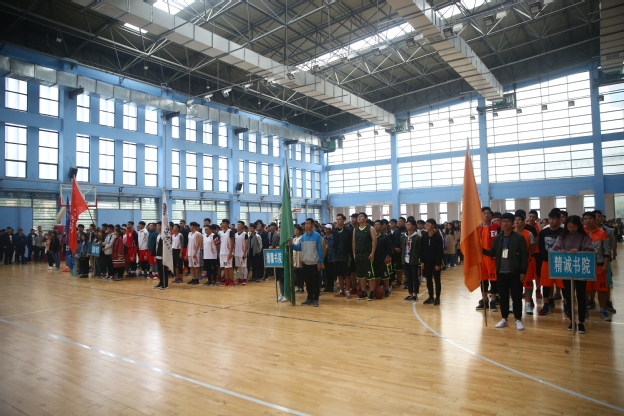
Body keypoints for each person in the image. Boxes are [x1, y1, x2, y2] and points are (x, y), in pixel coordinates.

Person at [483, 213, 528, 331]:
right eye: (503, 221)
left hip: (515, 272)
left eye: (508, 221)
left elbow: (524, 256)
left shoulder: (518, 237)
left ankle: (518, 319)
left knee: (516, 296)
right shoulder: (498, 238)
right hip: (501, 272)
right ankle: (504, 318)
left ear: (512, 223)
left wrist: (523, 271)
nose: (505, 223)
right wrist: (482, 250)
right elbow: (492, 252)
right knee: (503, 297)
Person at [552, 215, 593, 334]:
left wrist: (579, 252)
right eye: (569, 227)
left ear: (578, 226)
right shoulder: (562, 236)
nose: (572, 229)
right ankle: (572, 320)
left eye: (574, 227)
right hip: (566, 269)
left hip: (580, 269)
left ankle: (581, 322)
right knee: (568, 297)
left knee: (581, 296)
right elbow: (554, 249)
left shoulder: (584, 237)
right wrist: (560, 251)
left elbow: (590, 251)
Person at [583, 211, 612, 321]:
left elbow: (606, 251)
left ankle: (603, 309)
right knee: (585, 290)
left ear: (595, 220)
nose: (588, 221)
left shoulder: (602, 233)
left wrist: (605, 265)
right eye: (585, 219)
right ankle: (585, 309)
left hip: (599, 265)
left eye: (590, 218)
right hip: (584, 266)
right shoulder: (581, 233)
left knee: (601, 289)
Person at [289, 218, 324, 307]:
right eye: (305, 223)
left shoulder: (317, 236)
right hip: (305, 263)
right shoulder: (303, 237)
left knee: (315, 282)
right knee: (308, 283)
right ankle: (309, 298)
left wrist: (319, 262)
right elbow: (300, 248)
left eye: (308, 223)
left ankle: (315, 299)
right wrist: (292, 245)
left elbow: (320, 249)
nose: (306, 225)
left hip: (314, 263)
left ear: (312, 224)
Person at [538, 211, 565, 316]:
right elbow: (541, 248)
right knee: (546, 284)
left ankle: (566, 305)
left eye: (554, 219)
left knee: (563, 285)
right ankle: (546, 304)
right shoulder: (544, 232)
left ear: (559, 220)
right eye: (550, 219)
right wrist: (547, 258)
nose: (551, 221)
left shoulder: (563, 232)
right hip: (547, 262)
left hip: (561, 262)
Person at [476, 207, 501, 311]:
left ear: (491, 216)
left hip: (492, 258)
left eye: (488, 213)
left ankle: (493, 301)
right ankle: (484, 300)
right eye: (484, 213)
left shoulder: (497, 227)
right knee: (483, 280)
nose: (486, 215)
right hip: (481, 258)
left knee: (493, 280)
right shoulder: (477, 228)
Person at [352, 212, 378, 301]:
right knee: (361, 275)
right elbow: (354, 242)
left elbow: (374, 241)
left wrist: (372, 253)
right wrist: (354, 253)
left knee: (370, 275)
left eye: (361, 216)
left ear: (366, 219)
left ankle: (372, 292)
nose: (359, 218)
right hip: (359, 254)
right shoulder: (355, 230)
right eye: (358, 217)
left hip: (367, 254)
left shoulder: (370, 228)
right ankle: (363, 292)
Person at [420, 219, 444, 305]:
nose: (426, 226)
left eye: (428, 224)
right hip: (427, 262)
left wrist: (438, 263)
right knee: (428, 280)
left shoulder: (438, 237)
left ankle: (437, 298)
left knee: (437, 280)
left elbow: (440, 251)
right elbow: (421, 250)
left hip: (435, 262)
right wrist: (422, 261)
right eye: (426, 224)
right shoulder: (424, 237)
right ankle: (430, 297)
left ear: (433, 225)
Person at [333, 214, 353, 298]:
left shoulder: (349, 230)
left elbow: (352, 242)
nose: (338, 221)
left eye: (340, 219)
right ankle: (341, 291)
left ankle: (348, 291)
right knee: (339, 274)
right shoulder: (335, 231)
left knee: (347, 274)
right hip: (337, 256)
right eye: (337, 219)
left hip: (346, 255)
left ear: (344, 220)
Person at [401, 218, 422, 301]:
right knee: (408, 278)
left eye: (409, 224)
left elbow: (420, 249)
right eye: (406, 225)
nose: (407, 226)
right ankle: (410, 293)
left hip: (414, 260)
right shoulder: (403, 237)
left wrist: (420, 260)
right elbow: (402, 247)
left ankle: (415, 294)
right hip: (405, 259)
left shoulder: (417, 237)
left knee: (415, 278)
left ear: (414, 226)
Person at [373, 220, 393, 298]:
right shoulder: (372, 235)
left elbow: (388, 247)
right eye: (375, 224)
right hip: (375, 258)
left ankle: (387, 289)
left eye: (378, 224)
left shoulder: (386, 236)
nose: (376, 226)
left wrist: (388, 256)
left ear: (382, 226)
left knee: (385, 275)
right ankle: (376, 289)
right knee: (376, 275)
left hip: (383, 258)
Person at [219, 219, 235, 286]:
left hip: (228, 252)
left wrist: (231, 252)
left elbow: (232, 242)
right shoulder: (220, 233)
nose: (223, 224)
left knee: (229, 267)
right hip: (222, 252)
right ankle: (227, 280)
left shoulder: (230, 232)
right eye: (222, 223)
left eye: (224, 223)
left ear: (227, 224)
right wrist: (219, 252)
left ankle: (231, 280)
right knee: (225, 267)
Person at [153, 222, 169, 290]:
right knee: (159, 270)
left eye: (158, 226)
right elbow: (156, 245)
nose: (157, 227)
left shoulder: (165, 236)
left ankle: (165, 284)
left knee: (164, 270)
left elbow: (166, 246)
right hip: (158, 256)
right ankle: (161, 282)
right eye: (156, 226)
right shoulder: (158, 235)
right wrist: (155, 254)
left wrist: (164, 255)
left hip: (163, 256)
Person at [234, 221, 249, 285]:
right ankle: (241, 278)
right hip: (236, 252)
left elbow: (246, 244)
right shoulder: (235, 234)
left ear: (243, 226)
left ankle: (245, 279)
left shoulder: (245, 234)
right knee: (239, 266)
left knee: (244, 266)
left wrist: (245, 252)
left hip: (242, 252)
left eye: (240, 224)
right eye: (237, 224)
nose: (238, 226)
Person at [322, 224, 335, 292]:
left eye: (326, 228)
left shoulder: (333, 237)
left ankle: (331, 286)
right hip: (325, 257)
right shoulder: (323, 238)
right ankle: (327, 286)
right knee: (326, 272)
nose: (325, 229)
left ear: (330, 229)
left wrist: (333, 257)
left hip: (331, 257)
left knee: (331, 272)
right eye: (325, 228)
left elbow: (334, 248)